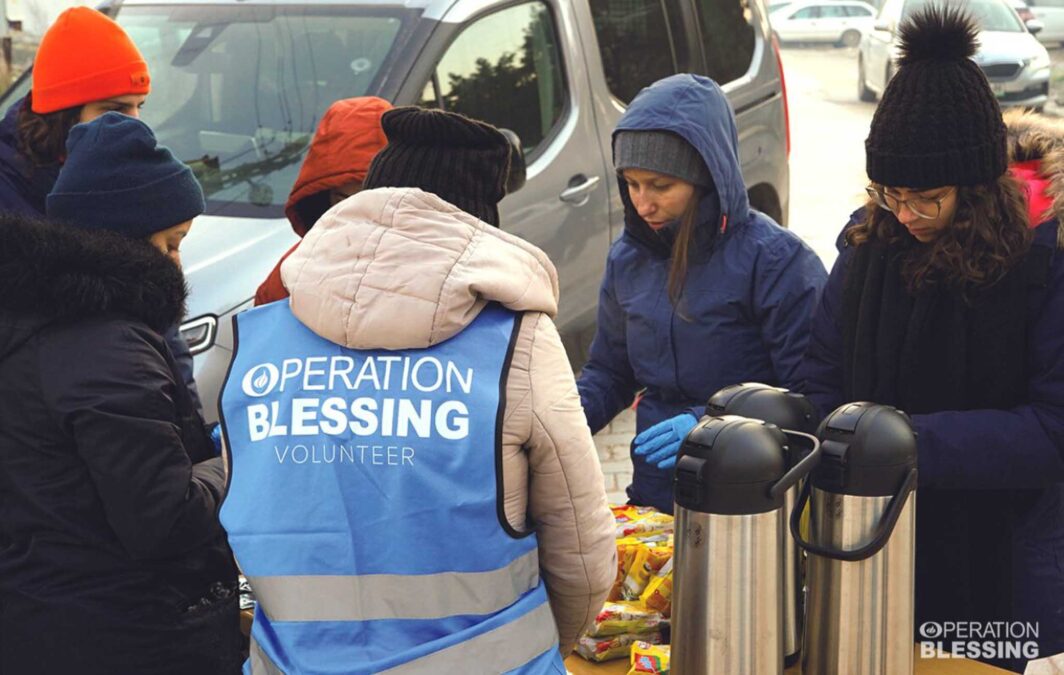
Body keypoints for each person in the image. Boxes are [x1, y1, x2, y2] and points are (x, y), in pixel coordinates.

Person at [219, 107, 616, 673]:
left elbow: (250, 517)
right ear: (480, 225)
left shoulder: (262, 338)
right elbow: (582, 551)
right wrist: (549, 645)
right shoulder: (516, 343)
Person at [798, 7, 1064, 671]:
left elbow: (1052, 429)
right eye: (890, 193)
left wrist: (907, 442)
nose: (906, 213)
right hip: (870, 548)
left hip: (1003, 566)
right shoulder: (866, 247)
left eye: (928, 197)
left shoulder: (1042, 264)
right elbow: (819, 375)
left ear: (975, 188)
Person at [0, 112, 240, 674]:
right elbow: (166, 518)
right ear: (131, 237)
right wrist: (231, 459)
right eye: (173, 242)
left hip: (40, 614)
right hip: (128, 631)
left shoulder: (31, 317)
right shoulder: (109, 349)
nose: (179, 261)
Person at [576, 73, 828, 514]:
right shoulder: (628, 258)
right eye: (631, 184)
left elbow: (809, 398)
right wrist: (561, 421)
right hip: (657, 491)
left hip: (748, 496)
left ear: (706, 178)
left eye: (660, 185)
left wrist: (707, 425)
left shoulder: (777, 261)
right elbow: (610, 371)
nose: (642, 203)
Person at [255, 96, 392, 305]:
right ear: (325, 197)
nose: (360, 212)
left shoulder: (438, 263)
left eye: (373, 197)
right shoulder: (290, 275)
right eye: (344, 199)